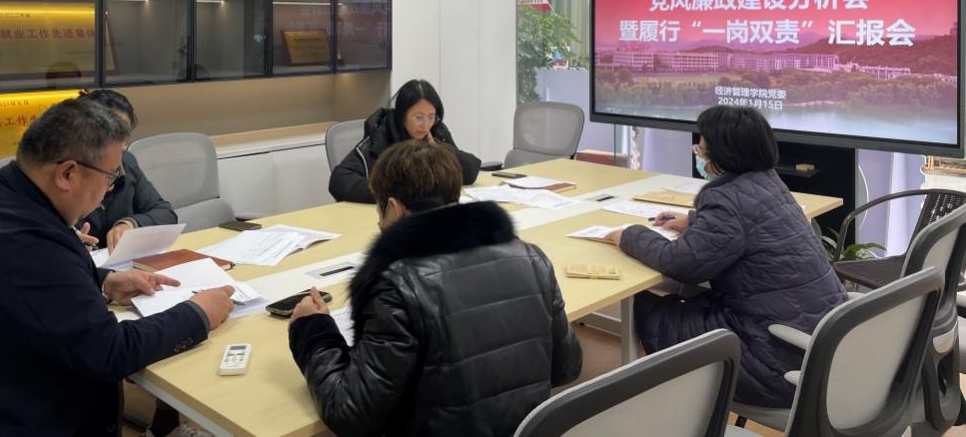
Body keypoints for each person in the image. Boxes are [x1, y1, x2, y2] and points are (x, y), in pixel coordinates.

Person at [0, 99, 235, 435]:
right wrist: (198, 313)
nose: (108, 190)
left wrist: (104, 282)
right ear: (67, 173)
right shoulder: (27, 240)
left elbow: (27, 289)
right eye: (110, 178)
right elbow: (109, 353)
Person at [290, 139, 582, 436]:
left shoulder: (397, 287)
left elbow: (350, 413)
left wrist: (315, 331)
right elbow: (566, 367)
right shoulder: (531, 257)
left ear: (393, 208)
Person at [601, 106, 848, 408]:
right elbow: (750, 223)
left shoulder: (724, 199)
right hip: (820, 341)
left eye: (702, 148)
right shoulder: (768, 182)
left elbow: (681, 264)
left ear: (723, 157)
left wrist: (629, 235)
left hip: (774, 361)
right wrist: (697, 221)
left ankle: (657, 412)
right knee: (686, 301)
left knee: (644, 306)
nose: (698, 153)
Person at [329, 79, 481, 203]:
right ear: (402, 115)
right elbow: (339, 180)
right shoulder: (382, 135)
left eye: (431, 117)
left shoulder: (436, 131)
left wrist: (439, 149)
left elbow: (470, 171)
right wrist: (394, 192)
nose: (426, 124)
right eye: (419, 117)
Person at [76, 88, 177, 251]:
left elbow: (165, 213)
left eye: (123, 136)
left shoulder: (126, 162)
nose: (119, 145)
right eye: (111, 134)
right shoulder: (71, 172)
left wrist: (131, 224)